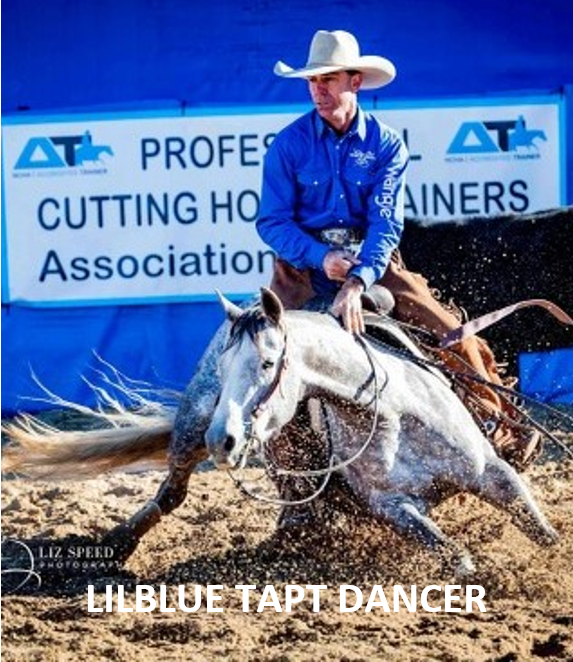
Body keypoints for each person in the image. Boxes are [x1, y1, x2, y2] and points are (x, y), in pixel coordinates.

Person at [256, 29, 540, 469]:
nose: (318, 90)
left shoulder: (386, 144)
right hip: (301, 271)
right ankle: (283, 464)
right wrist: (321, 257)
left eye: (328, 79)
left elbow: (386, 222)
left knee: (455, 338)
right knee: (263, 351)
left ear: (354, 82)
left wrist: (357, 280)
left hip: (374, 264)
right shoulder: (288, 145)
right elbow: (272, 222)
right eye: (313, 80)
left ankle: (498, 432)